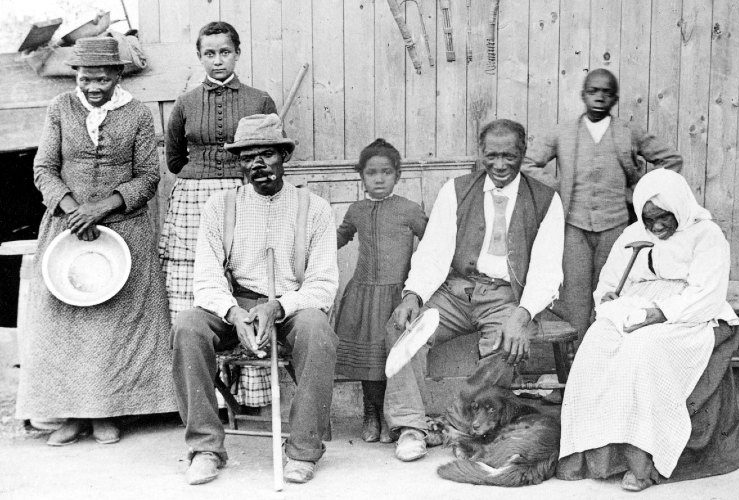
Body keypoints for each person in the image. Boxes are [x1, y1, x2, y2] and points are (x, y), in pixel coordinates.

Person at [16, 36, 176, 445]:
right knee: (66, 322)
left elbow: (148, 177)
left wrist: (101, 208)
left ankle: (107, 413)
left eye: (102, 79)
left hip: (124, 227)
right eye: (86, 78)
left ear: (118, 75)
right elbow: (44, 169)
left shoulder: (137, 114)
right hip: (67, 229)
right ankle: (72, 415)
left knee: (113, 324)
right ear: (76, 76)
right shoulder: (60, 109)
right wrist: (73, 210)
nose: (92, 87)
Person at [170, 114, 339, 485]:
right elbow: (207, 279)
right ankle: (205, 448)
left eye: (267, 155)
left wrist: (278, 306)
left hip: (291, 308)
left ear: (284, 157)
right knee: (187, 326)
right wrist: (233, 312)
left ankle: (303, 451)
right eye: (248, 158)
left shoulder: (316, 209)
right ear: (239, 163)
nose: (258, 165)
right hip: (237, 305)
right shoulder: (219, 207)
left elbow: (323, 285)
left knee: (317, 329)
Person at [384, 119, 565, 462]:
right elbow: (434, 251)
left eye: (509, 156)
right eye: (492, 155)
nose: (499, 165)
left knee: (505, 346)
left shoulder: (545, 200)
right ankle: (412, 427)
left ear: (523, 154)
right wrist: (414, 295)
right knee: (401, 328)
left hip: (507, 297)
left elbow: (547, 268)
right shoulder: (456, 190)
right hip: (456, 291)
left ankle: (457, 423)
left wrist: (523, 315)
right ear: (481, 153)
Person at [556, 169, 739, 492]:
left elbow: (707, 295)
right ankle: (591, 455)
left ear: (680, 207)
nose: (657, 226)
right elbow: (609, 284)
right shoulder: (632, 235)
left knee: (643, 350)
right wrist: (609, 300)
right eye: (649, 219)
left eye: (664, 217)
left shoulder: (707, 235)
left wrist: (659, 313)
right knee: (595, 345)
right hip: (635, 308)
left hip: (690, 316)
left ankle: (643, 463)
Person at [522, 69, 682, 356]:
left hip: (616, 225)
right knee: (577, 295)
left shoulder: (628, 132)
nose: (599, 97)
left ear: (615, 98)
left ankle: (610, 353)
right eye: (593, 91)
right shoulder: (563, 132)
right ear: (583, 95)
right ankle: (579, 356)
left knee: (613, 290)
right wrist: (558, 188)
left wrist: (640, 193)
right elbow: (528, 164)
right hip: (574, 225)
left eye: (606, 92)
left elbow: (671, 159)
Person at [161, 21, 277, 409]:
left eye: (224, 52)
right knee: (198, 289)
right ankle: (208, 394)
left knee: (246, 284)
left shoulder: (259, 100)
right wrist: (204, 178)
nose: (217, 60)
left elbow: (270, 154)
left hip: (246, 197)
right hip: (194, 200)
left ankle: (252, 394)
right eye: (209, 53)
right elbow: (175, 159)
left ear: (237, 53)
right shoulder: (186, 103)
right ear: (200, 57)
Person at [335, 139, 427, 443]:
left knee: (394, 358)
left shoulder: (410, 210)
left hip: (395, 296)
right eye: (371, 172)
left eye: (385, 172)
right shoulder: (356, 210)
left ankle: (393, 417)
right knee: (368, 361)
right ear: (361, 176)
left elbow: (433, 245)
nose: (378, 178)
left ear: (397, 175)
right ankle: (371, 413)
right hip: (362, 295)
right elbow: (337, 238)